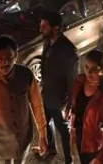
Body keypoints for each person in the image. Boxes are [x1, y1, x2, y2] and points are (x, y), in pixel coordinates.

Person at [0, 36, 47, 164]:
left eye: (9, 58)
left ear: (16, 55)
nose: (5, 62)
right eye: (0, 59)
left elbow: (37, 105)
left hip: (23, 143)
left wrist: (43, 136)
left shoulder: (26, 75)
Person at [32, 11, 79, 163]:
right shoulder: (47, 41)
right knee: (45, 124)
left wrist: (70, 105)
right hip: (46, 94)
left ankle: (69, 159)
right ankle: (50, 148)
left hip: (59, 101)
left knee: (64, 131)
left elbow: (73, 80)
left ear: (56, 28)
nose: (41, 29)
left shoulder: (68, 51)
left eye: (44, 26)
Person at [69, 50, 103, 164]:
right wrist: (71, 126)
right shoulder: (79, 80)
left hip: (94, 145)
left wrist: (100, 158)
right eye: (86, 67)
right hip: (79, 136)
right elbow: (74, 107)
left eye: (94, 69)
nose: (88, 72)